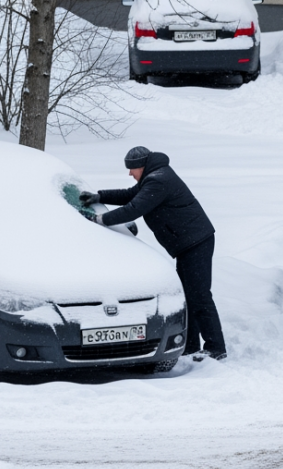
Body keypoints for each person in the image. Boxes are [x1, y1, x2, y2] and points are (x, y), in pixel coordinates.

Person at [78, 147, 227, 361]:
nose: (130, 173)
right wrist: (100, 196)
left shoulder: (159, 180)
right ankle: (191, 345)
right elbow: (131, 195)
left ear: (142, 166)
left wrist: (98, 220)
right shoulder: (155, 176)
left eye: (132, 169)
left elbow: (133, 208)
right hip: (188, 243)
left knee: (200, 296)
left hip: (196, 242)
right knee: (189, 296)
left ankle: (216, 348)